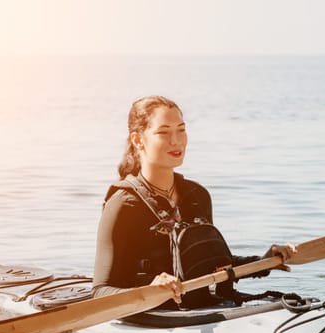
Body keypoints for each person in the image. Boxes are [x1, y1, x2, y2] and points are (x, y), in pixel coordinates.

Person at [92, 95, 296, 308]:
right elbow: (100, 291)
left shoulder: (197, 195)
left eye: (181, 129)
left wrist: (263, 262)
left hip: (206, 308)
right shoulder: (123, 204)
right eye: (163, 132)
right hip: (158, 317)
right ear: (137, 140)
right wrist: (150, 289)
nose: (176, 140)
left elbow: (208, 265)